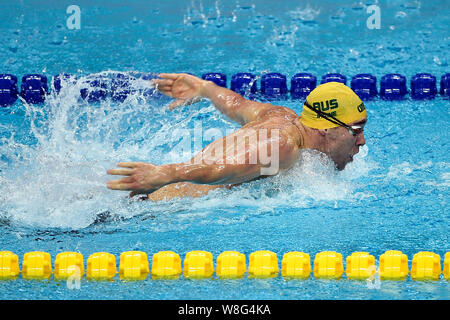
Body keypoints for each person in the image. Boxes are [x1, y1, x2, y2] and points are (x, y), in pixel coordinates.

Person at [107, 73, 367, 201]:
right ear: (326, 127)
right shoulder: (283, 147)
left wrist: (206, 88)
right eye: (355, 130)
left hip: (148, 194)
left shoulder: (281, 115)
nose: (362, 141)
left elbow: (236, 103)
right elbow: (224, 168)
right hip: (152, 206)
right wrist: (165, 174)